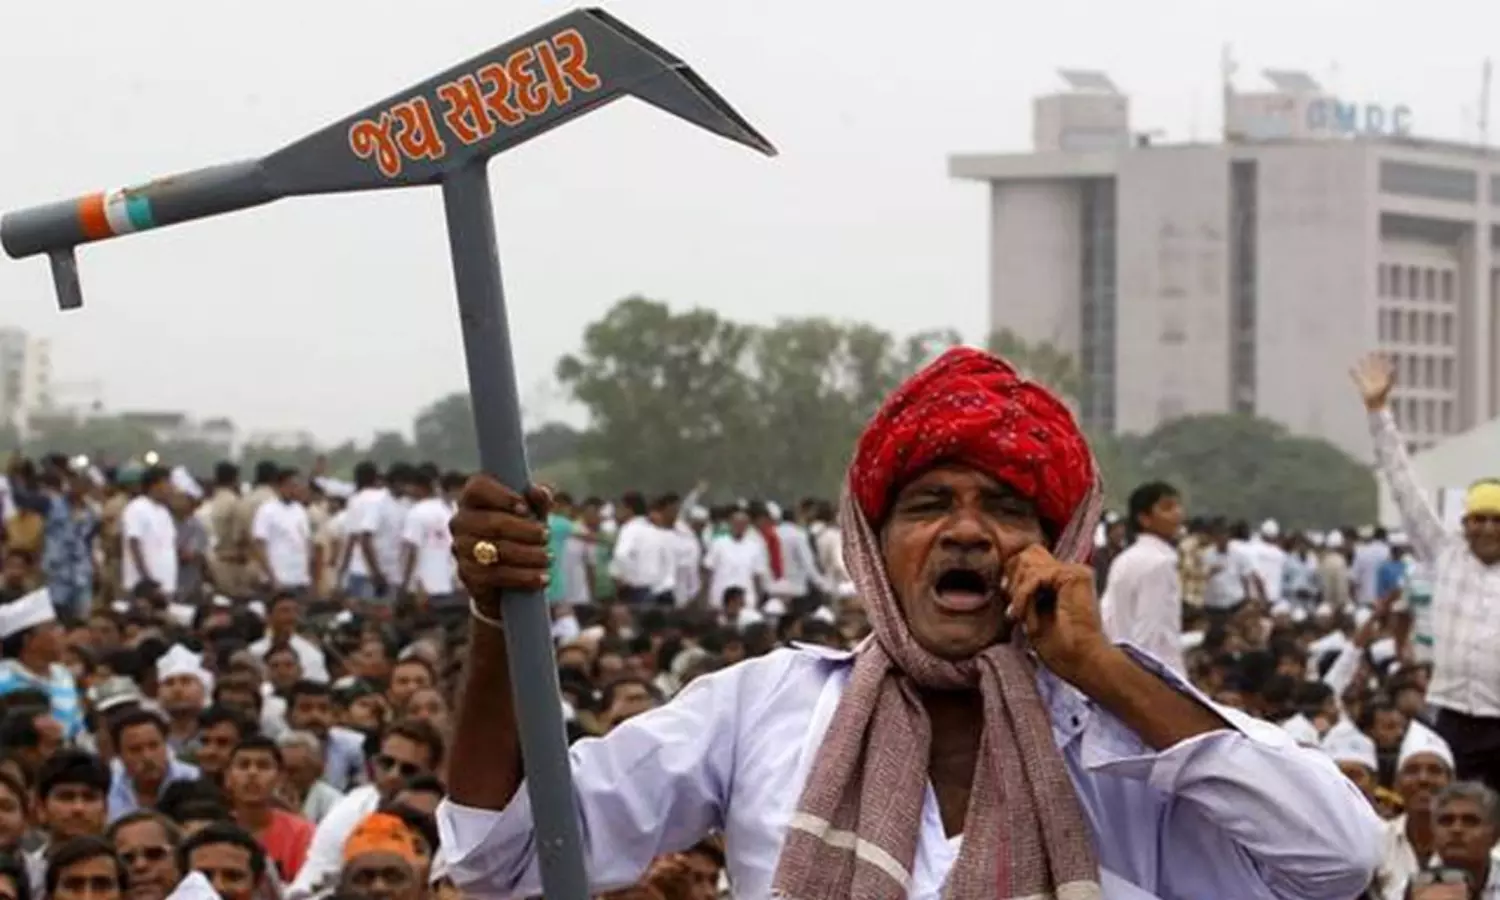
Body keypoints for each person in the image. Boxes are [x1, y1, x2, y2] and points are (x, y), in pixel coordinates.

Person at [439, 346, 1384, 899]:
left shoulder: (1125, 734)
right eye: (929, 504)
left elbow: (1339, 860)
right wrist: (494, 615)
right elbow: (500, 854)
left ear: (1061, 545)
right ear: (872, 546)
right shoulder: (764, 709)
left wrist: (1102, 670)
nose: (967, 531)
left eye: (1006, 509)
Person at [1355, 352, 1500, 796]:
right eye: (1478, 519)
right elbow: (1404, 486)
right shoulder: (1445, 553)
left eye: (1496, 520)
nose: (1487, 528)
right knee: (1449, 811)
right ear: (1464, 523)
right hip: (1450, 714)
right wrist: (1379, 412)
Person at [1099, 482, 1185, 674]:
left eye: (1178, 506)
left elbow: (1108, 618)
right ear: (1145, 519)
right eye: (1167, 508)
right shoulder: (1159, 563)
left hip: (1121, 666)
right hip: (1154, 673)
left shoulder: (1125, 559)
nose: (1178, 513)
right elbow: (1150, 632)